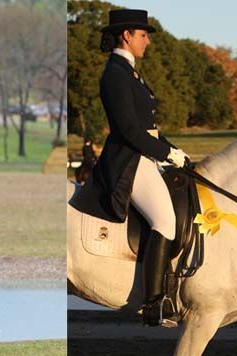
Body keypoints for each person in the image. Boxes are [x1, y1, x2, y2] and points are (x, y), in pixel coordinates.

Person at [68, 9, 190, 327]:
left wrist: (173, 150)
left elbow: (146, 127)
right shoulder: (115, 74)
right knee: (165, 219)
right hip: (128, 160)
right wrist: (165, 152)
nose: (147, 41)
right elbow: (129, 131)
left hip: (143, 155)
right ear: (127, 36)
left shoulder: (131, 73)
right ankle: (154, 302)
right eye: (143, 35)